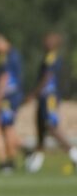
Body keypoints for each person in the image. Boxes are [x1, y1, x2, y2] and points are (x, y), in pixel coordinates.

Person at [26, 32, 77, 172]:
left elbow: (47, 77)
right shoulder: (48, 56)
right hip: (45, 97)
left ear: (55, 44)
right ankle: (35, 161)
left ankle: (74, 153)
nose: (45, 42)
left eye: (49, 40)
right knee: (41, 128)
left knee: (51, 126)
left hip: (49, 98)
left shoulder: (51, 57)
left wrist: (34, 93)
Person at [0, 34, 24, 173]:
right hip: (9, 97)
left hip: (9, 97)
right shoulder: (5, 56)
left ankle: (11, 161)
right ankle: (19, 154)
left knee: (8, 127)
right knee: (5, 127)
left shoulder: (9, 56)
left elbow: (5, 78)